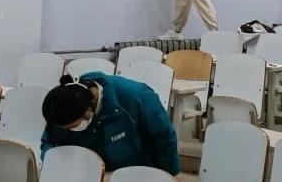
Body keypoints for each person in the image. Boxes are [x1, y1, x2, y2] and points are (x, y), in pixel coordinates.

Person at [41, 72, 179, 175]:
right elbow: (49, 142)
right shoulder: (61, 108)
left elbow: (165, 139)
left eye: (70, 127)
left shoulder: (135, 97)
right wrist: (52, 168)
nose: (65, 130)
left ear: (88, 112)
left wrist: (166, 179)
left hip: (136, 173)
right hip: (91, 173)